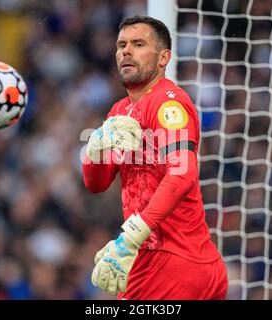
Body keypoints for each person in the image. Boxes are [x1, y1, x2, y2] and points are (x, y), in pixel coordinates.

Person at [82, 15, 228, 300]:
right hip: (170, 261)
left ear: (164, 58)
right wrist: (94, 150)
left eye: (138, 44)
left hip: (170, 260)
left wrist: (132, 235)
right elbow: (95, 184)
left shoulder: (167, 102)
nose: (126, 51)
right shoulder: (119, 111)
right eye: (121, 44)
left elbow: (183, 173)